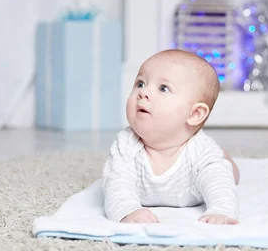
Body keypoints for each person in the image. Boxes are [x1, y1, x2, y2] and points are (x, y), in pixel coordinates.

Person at [102, 49, 240, 225]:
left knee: (226, 173)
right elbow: (116, 183)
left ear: (195, 113)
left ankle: (226, 159)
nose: (143, 93)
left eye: (163, 88)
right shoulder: (126, 144)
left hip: (202, 169)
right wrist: (127, 211)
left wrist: (221, 211)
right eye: (140, 83)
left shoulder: (202, 150)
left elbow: (220, 186)